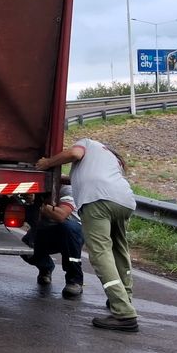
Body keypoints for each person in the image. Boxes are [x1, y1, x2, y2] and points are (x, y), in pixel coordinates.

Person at [37, 139, 138, 332]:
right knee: (119, 250)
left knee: (101, 255)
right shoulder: (110, 158)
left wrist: (47, 163)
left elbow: (74, 154)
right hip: (124, 202)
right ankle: (125, 298)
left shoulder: (88, 143)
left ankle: (123, 313)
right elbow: (79, 179)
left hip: (97, 200)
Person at [21, 183, 84, 299]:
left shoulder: (66, 190)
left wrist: (39, 204)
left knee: (69, 228)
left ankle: (74, 280)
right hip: (46, 231)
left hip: (70, 234)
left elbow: (61, 215)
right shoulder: (33, 191)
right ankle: (46, 267)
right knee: (25, 246)